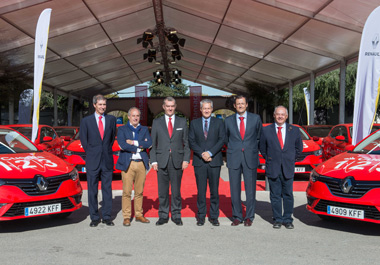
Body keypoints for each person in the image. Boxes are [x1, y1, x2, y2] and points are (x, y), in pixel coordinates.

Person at [259, 106, 303, 229]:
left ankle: (288, 219)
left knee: (288, 194)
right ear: (274, 115)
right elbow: (263, 148)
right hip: (273, 167)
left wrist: (290, 159)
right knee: (275, 195)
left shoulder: (293, 130)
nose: (280, 116)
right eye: (278, 114)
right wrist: (271, 159)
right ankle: (277, 219)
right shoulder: (266, 130)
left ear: (286, 116)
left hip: (288, 167)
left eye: (282, 114)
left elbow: (299, 148)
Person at [150, 97, 191, 226]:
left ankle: (176, 215)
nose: (170, 108)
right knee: (162, 191)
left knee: (176, 191)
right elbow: (153, 144)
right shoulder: (156, 122)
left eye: (172, 106)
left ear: (175, 106)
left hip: (177, 161)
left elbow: (186, 143)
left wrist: (186, 159)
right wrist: (154, 161)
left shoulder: (182, 121)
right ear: (163, 107)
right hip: (161, 161)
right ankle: (163, 215)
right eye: (167, 106)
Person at [224, 95, 262, 226]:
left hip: (250, 158)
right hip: (234, 157)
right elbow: (225, 138)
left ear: (246, 105)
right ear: (234, 106)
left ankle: (249, 217)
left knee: (250, 189)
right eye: (238, 104)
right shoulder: (228, 120)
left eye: (242, 103)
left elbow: (258, 137)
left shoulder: (255, 119)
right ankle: (237, 216)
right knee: (234, 189)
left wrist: (250, 148)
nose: (240, 105)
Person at [80, 94, 116, 227]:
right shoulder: (86, 121)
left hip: (106, 159)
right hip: (93, 160)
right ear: (94, 105)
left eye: (104, 105)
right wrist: (93, 153)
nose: (102, 107)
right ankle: (94, 217)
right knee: (92, 190)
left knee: (107, 189)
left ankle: (107, 217)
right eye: (100, 104)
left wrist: (104, 151)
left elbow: (111, 139)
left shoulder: (111, 120)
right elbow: (84, 141)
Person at [188, 99, 225, 226]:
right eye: (204, 108)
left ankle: (214, 216)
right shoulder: (194, 123)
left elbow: (222, 140)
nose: (207, 110)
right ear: (200, 109)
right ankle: (201, 216)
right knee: (201, 191)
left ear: (212, 109)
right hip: (199, 161)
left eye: (209, 108)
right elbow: (191, 141)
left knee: (214, 191)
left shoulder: (219, 122)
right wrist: (202, 154)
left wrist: (210, 153)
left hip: (214, 160)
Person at [116, 107, 152, 227]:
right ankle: (126, 217)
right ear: (129, 117)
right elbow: (122, 145)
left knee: (139, 191)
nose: (136, 118)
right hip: (128, 163)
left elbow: (149, 143)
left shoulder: (144, 129)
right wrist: (140, 146)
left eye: (137, 116)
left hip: (141, 163)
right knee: (126, 192)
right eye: (133, 116)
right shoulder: (122, 129)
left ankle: (138, 214)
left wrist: (134, 143)